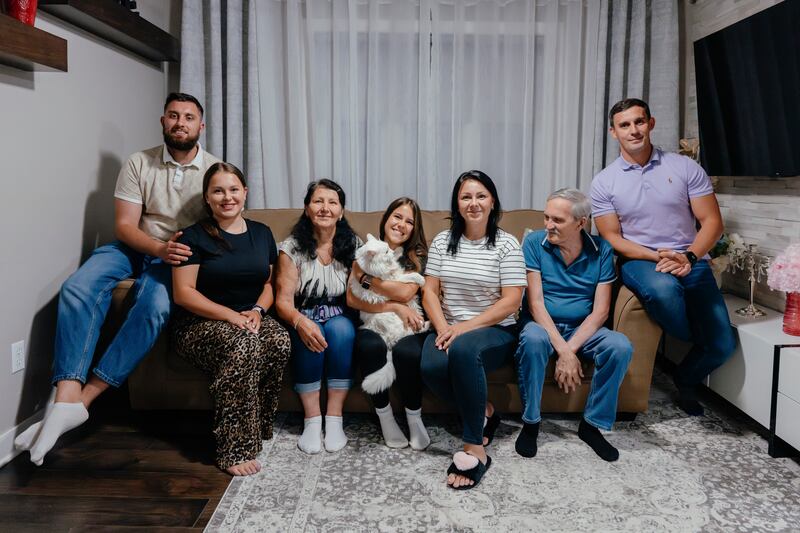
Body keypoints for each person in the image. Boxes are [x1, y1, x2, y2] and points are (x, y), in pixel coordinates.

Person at [15, 93, 221, 465]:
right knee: (77, 287)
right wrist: (156, 248)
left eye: (189, 117)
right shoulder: (138, 162)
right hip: (136, 245)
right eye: (173, 115)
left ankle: (83, 402)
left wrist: (175, 254)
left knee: (154, 305)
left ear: (201, 126)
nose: (181, 123)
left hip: (179, 256)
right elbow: (125, 226)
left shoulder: (215, 169)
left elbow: (222, 226)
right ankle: (66, 394)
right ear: (163, 121)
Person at [591, 98, 736, 416]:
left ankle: (684, 379)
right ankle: (694, 334)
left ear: (651, 123)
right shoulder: (604, 182)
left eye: (639, 122)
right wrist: (657, 255)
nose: (634, 130)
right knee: (663, 289)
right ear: (613, 132)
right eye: (625, 125)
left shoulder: (684, 167)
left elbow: (712, 222)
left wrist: (690, 256)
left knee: (723, 345)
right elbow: (612, 238)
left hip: (690, 258)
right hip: (639, 260)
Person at [171, 162, 290, 476]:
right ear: (207, 198)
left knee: (278, 339)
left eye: (234, 189)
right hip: (199, 323)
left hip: (248, 317)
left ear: (245, 193)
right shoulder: (192, 237)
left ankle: (257, 426)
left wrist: (257, 312)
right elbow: (184, 293)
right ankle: (233, 450)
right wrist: (230, 317)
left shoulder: (262, 234)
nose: (227, 197)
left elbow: (269, 285)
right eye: (218, 191)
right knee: (242, 345)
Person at [421, 170, 526, 490]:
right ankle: (485, 411)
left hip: (495, 329)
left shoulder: (507, 244)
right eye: (466, 196)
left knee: (465, 350)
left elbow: (512, 302)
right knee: (431, 365)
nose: (474, 203)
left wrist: (463, 329)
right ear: (457, 203)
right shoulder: (442, 240)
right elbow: (429, 292)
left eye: (481, 196)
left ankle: (475, 448)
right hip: (449, 326)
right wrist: (443, 328)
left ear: (493, 201)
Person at [514, 188, 633, 462]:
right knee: (532, 340)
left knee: (620, 346)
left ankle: (592, 425)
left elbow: (601, 311)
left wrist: (570, 349)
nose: (548, 225)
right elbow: (536, 305)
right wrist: (564, 352)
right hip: (542, 324)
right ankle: (531, 422)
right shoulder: (534, 243)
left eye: (557, 220)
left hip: (584, 327)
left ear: (581, 222)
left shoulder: (601, 249)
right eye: (546, 217)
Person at [275, 179, 360, 454]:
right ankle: (312, 420)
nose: (325, 208)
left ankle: (334, 419)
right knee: (312, 333)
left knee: (341, 331)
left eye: (332, 202)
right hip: (303, 311)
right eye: (318, 201)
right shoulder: (291, 248)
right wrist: (300, 321)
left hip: (341, 311)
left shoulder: (354, 245)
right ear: (307, 208)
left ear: (342, 211)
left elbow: (360, 292)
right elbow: (283, 301)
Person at [346, 198, 431, 450]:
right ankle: (385, 418)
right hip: (373, 324)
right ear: (386, 219)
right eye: (397, 216)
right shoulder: (367, 249)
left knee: (407, 351)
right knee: (370, 346)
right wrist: (393, 305)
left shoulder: (417, 257)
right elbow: (351, 299)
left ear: (414, 229)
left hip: (408, 326)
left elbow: (406, 294)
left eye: (409, 221)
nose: (401, 224)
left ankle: (414, 418)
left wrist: (367, 280)